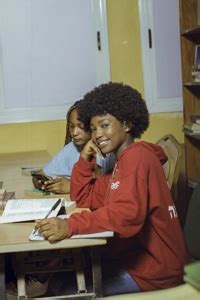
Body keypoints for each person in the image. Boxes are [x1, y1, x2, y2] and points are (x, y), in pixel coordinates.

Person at [35, 82, 187, 296]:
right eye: (94, 128)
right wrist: (85, 159)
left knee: (66, 290)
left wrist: (69, 225)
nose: (97, 134)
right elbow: (83, 198)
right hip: (136, 259)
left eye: (105, 125)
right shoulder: (121, 164)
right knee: (59, 282)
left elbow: (126, 215)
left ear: (126, 124)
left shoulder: (137, 157)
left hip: (155, 269)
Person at [32, 100, 115, 194]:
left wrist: (72, 186)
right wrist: (43, 183)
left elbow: (104, 190)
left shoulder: (109, 150)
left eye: (81, 126)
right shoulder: (72, 148)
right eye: (71, 126)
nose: (74, 133)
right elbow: (39, 174)